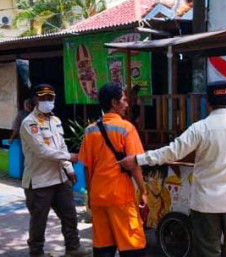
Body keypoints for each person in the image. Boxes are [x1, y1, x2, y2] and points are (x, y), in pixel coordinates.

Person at [119, 80, 226, 257]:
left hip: (205, 205)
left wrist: (139, 159)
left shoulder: (199, 129)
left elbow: (171, 153)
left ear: (207, 102)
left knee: (208, 252)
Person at [20, 84, 90, 257]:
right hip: (39, 181)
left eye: (50, 98)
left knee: (69, 215)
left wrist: (69, 169)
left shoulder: (56, 121)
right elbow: (42, 151)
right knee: (39, 221)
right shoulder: (29, 123)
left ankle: (73, 247)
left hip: (59, 179)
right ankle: (36, 252)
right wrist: (70, 157)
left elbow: (61, 145)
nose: (47, 101)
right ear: (35, 99)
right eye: (43, 98)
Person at [78, 82, 147, 257]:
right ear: (114, 103)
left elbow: (87, 167)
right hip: (121, 198)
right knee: (132, 247)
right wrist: (144, 190)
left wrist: (91, 196)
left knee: (103, 249)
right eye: (124, 100)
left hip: (98, 198)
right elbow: (134, 164)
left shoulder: (89, 131)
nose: (126, 103)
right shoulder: (126, 128)